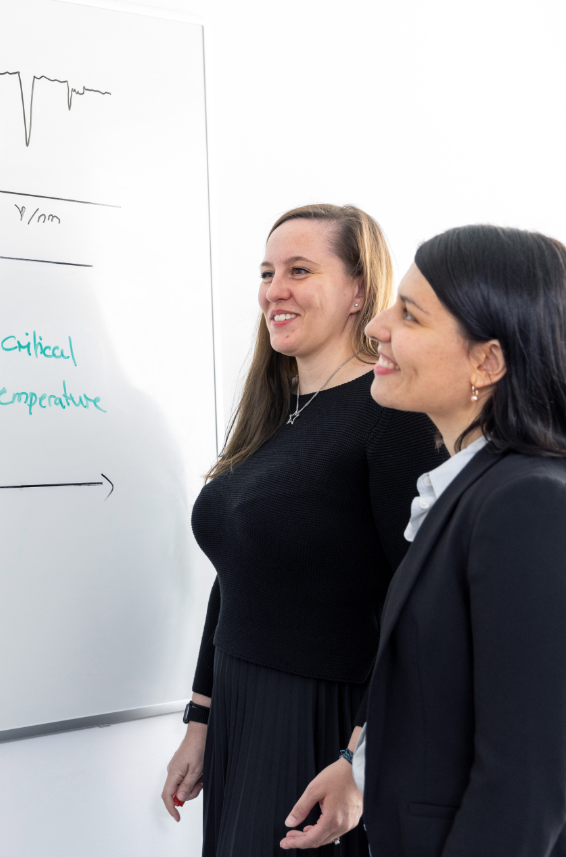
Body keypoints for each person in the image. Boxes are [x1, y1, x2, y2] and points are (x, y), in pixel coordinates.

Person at [161, 204, 445, 855]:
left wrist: (360, 757)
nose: (274, 290)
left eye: (298, 270)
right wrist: (200, 720)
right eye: (267, 272)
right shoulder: (271, 414)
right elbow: (237, 575)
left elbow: (420, 604)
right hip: (240, 706)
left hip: (321, 719)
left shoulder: (390, 417)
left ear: (356, 290)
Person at [348, 225, 566, 855]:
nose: (377, 327)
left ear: (487, 362)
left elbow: (524, 786)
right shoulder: (472, 489)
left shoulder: (527, 502)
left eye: (409, 315)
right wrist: (357, 767)